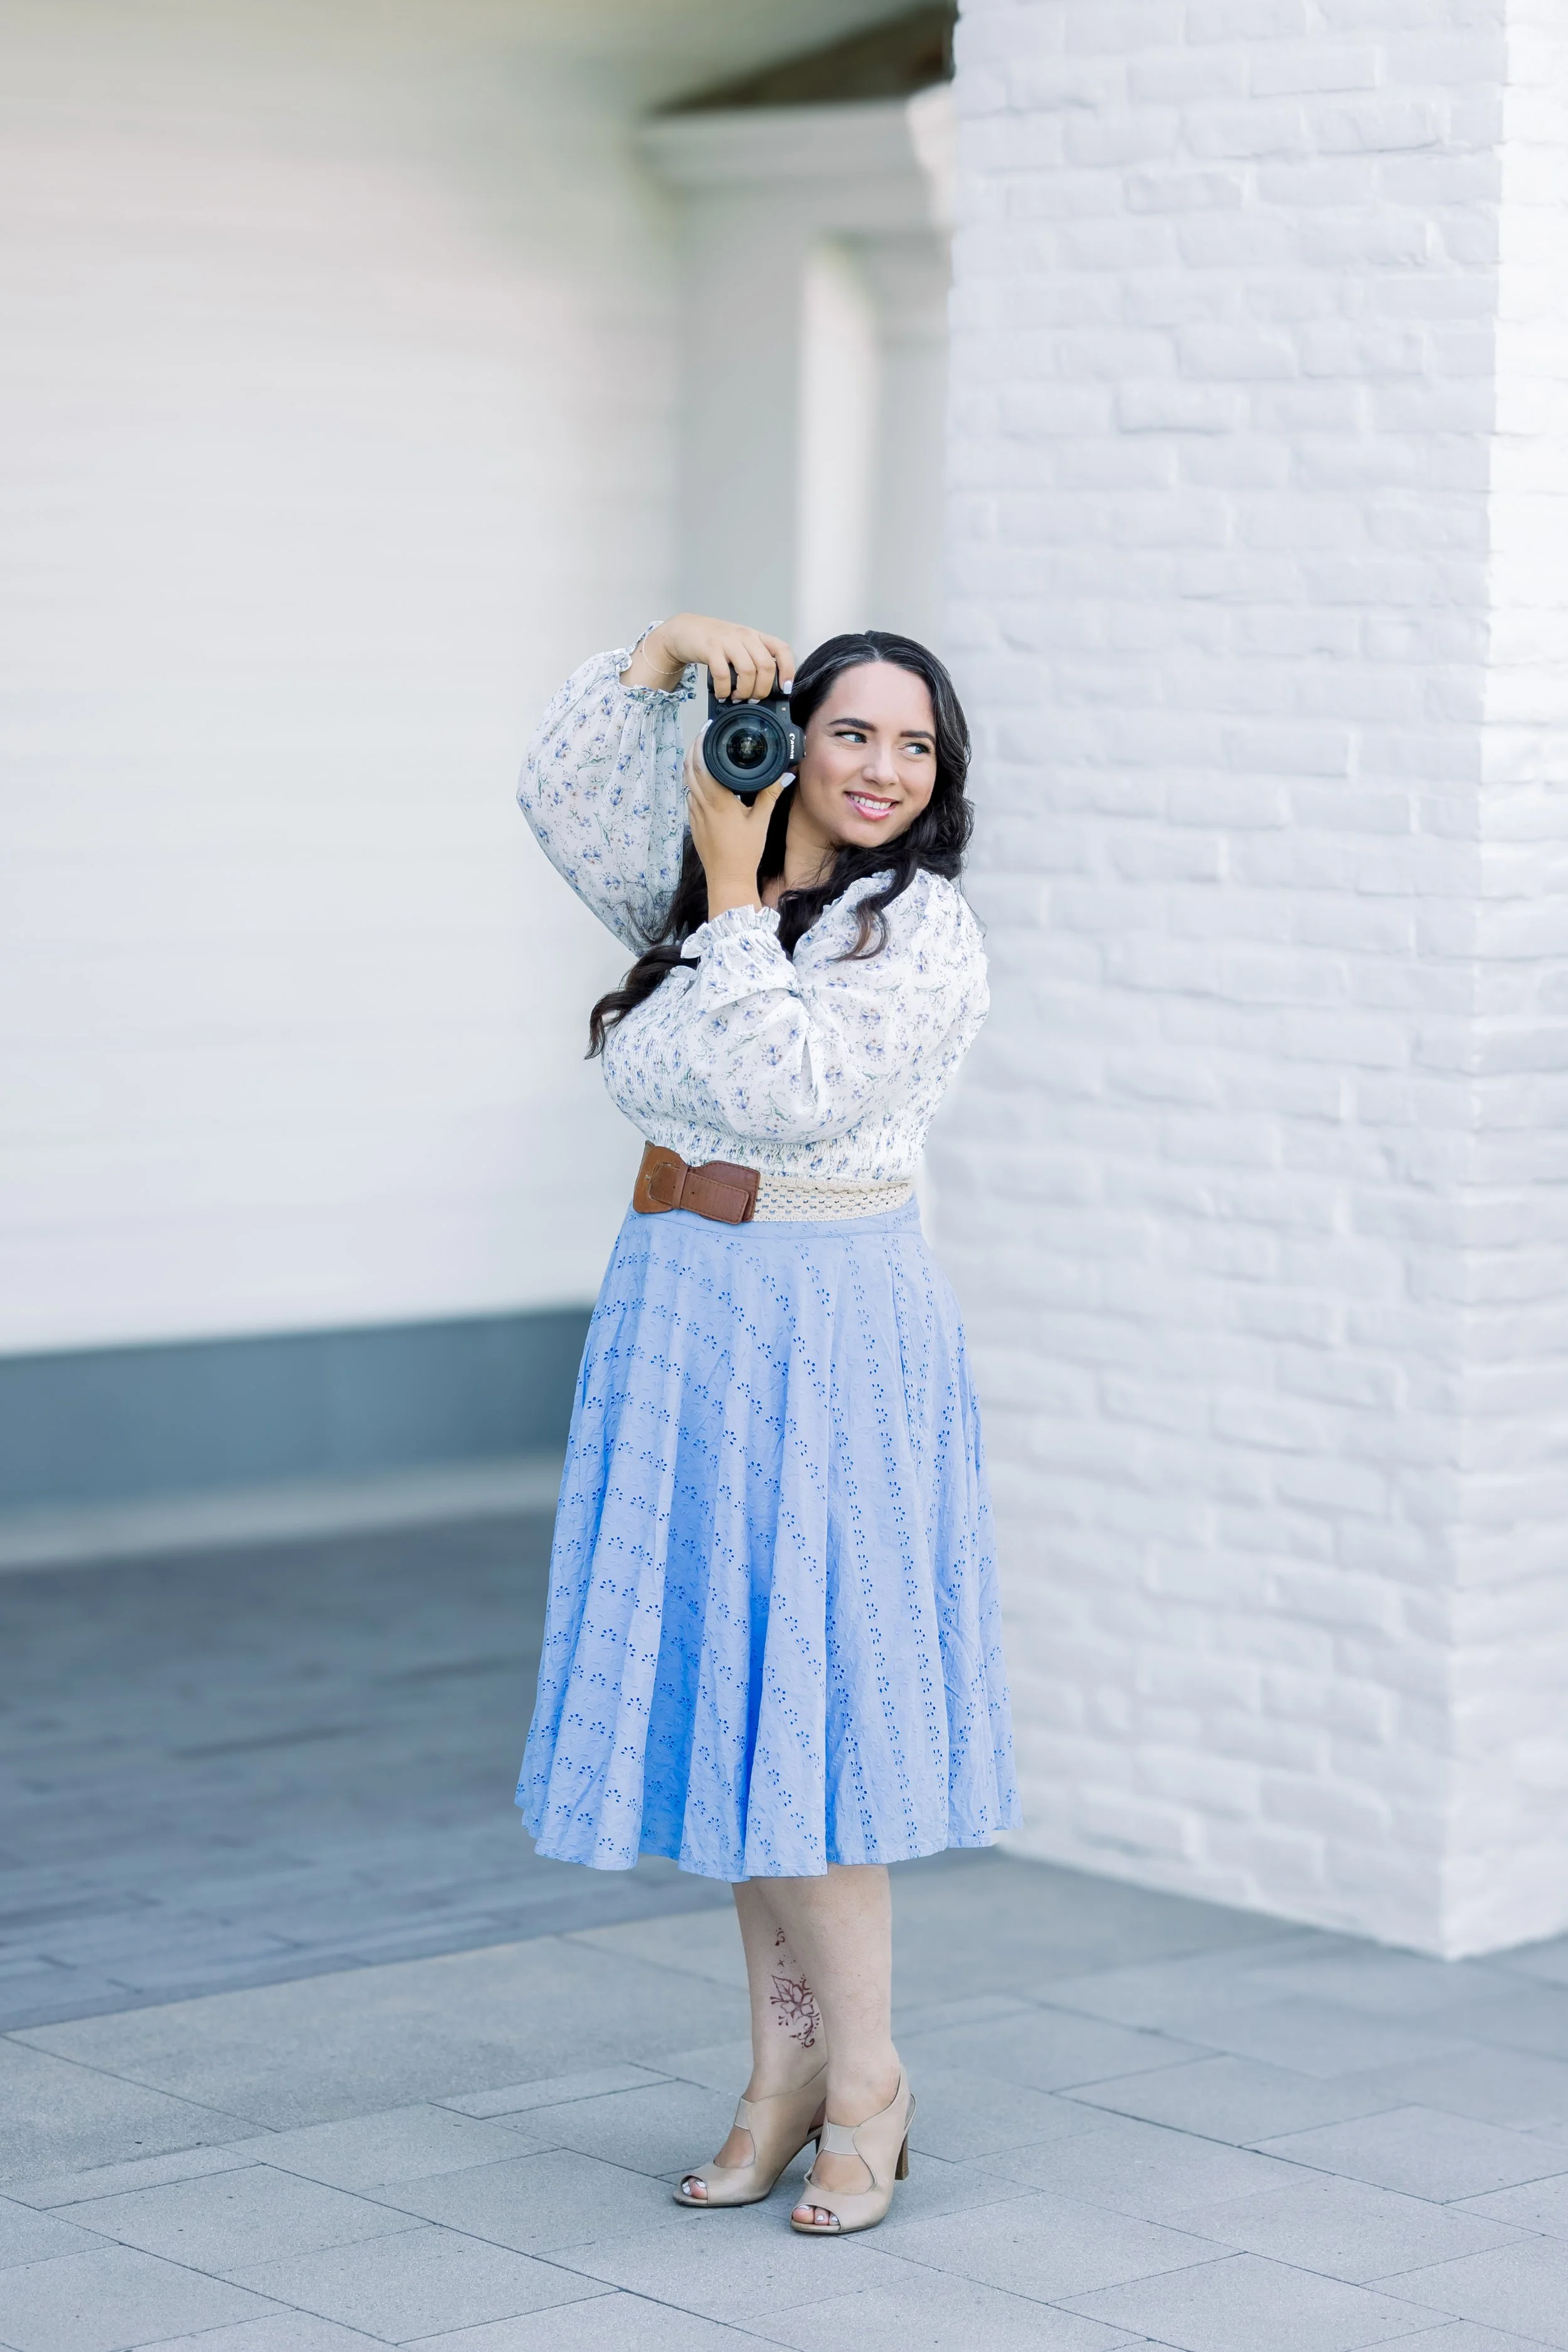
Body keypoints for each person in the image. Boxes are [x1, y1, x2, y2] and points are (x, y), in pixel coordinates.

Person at [514, 612, 1019, 2235]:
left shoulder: (917, 931)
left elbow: (788, 1087)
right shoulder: (696, 876)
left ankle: (862, 2080)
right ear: (791, 734)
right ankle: (778, 2072)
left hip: (826, 1313)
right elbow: (552, 790)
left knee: (810, 1710)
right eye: (853, 730)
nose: (881, 767)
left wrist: (734, 891)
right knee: (745, 1706)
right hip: (679, 1308)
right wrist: (655, 660)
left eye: (914, 745)